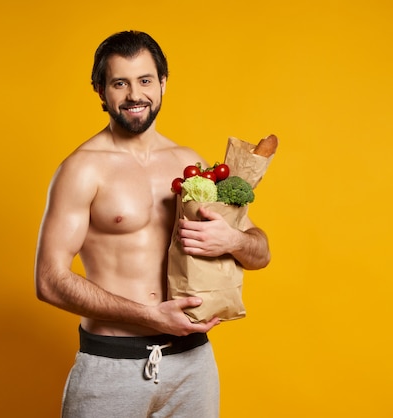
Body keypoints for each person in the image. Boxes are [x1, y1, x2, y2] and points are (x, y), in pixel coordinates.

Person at [34, 30, 271, 418]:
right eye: (119, 83)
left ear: (162, 84)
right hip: (111, 369)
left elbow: (260, 252)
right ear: (100, 90)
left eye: (145, 80)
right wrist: (149, 315)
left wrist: (232, 240)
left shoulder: (190, 163)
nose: (134, 95)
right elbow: (49, 280)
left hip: (192, 367)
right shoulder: (81, 169)